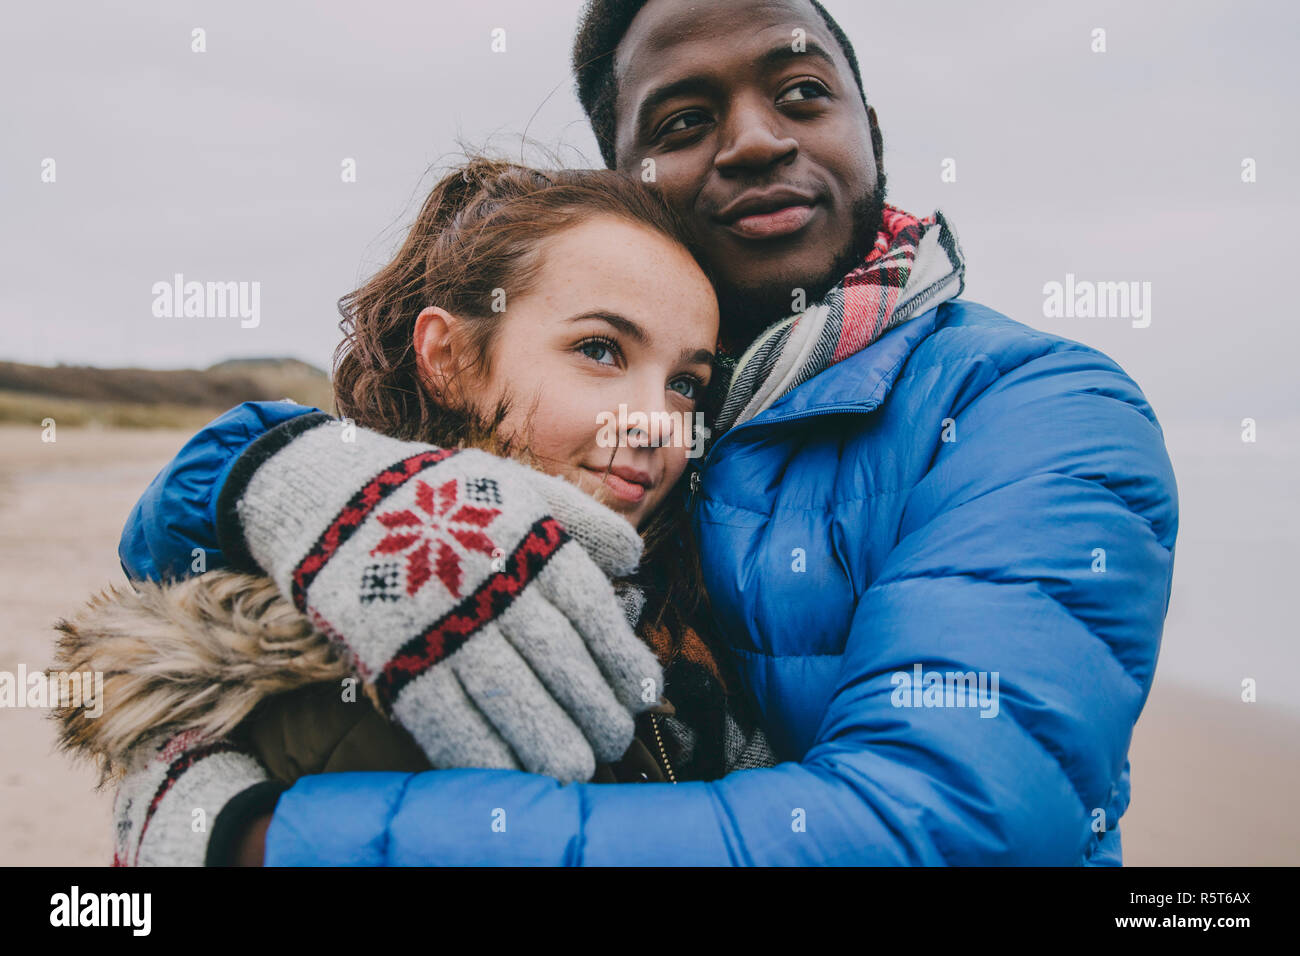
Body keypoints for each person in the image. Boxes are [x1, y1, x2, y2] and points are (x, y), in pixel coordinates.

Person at [91, 0, 1178, 865]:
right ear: (630, 176)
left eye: (803, 92)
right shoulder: (479, 495)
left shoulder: (1025, 403)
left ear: (869, 130)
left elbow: (950, 828)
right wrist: (261, 468)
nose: (755, 139)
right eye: (683, 120)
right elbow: (179, 594)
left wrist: (254, 841)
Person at [51, 158, 775, 866]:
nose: (656, 421)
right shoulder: (365, 661)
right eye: (600, 349)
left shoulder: (678, 615)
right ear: (450, 357)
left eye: (686, 384)